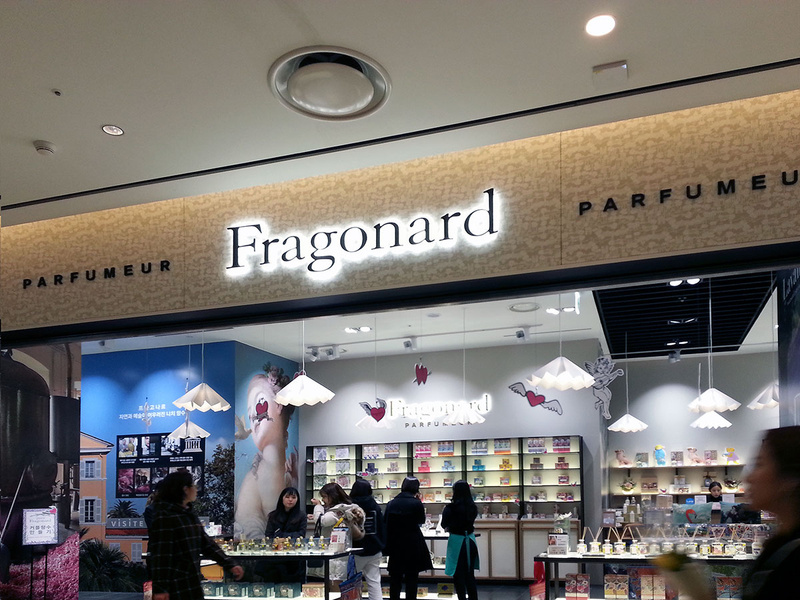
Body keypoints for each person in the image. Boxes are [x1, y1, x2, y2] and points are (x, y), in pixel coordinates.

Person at [148, 471, 243, 600]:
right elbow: (162, 555)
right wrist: (161, 589)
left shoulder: (188, 514)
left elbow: (206, 543)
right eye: (193, 485)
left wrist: (229, 564)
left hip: (191, 582)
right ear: (185, 489)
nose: (196, 489)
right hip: (175, 586)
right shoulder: (165, 516)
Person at [235, 372, 299, 540]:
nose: (252, 417)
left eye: (259, 401)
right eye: (249, 412)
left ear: (279, 405)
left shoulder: (281, 469)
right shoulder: (261, 473)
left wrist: (294, 481)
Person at [743, 426, 800, 600]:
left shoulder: (792, 557)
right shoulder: (782, 541)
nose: (748, 477)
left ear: (789, 479)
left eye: (759, 464)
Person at [383, 477, 432, 600]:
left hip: (395, 544)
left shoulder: (391, 503)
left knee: (395, 578)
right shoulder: (416, 503)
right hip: (412, 543)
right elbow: (421, 521)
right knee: (412, 578)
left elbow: (386, 523)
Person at [310, 482, 365, 582]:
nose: (323, 500)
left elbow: (321, 521)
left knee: (334, 582)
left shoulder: (336, 511)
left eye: (324, 497)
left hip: (334, 554)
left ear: (332, 496)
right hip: (343, 551)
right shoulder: (349, 508)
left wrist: (318, 506)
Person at [441, 480, 479, 600]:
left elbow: (444, 524)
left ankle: (461, 598)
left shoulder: (450, 508)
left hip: (457, 542)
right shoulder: (473, 507)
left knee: (458, 575)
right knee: (470, 574)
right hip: (470, 541)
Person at [261, 486, 307, 583]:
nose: (290, 500)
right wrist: (288, 536)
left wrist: (280, 535)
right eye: (287, 497)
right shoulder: (273, 515)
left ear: (297, 500)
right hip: (275, 556)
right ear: (282, 498)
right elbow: (268, 535)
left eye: (293, 497)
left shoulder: (301, 516)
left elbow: (301, 535)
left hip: (294, 556)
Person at [350, 479, 386, 600]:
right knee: (374, 582)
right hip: (374, 549)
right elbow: (381, 527)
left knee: (352, 582)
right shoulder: (375, 505)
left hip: (356, 550)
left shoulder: (351, 506)